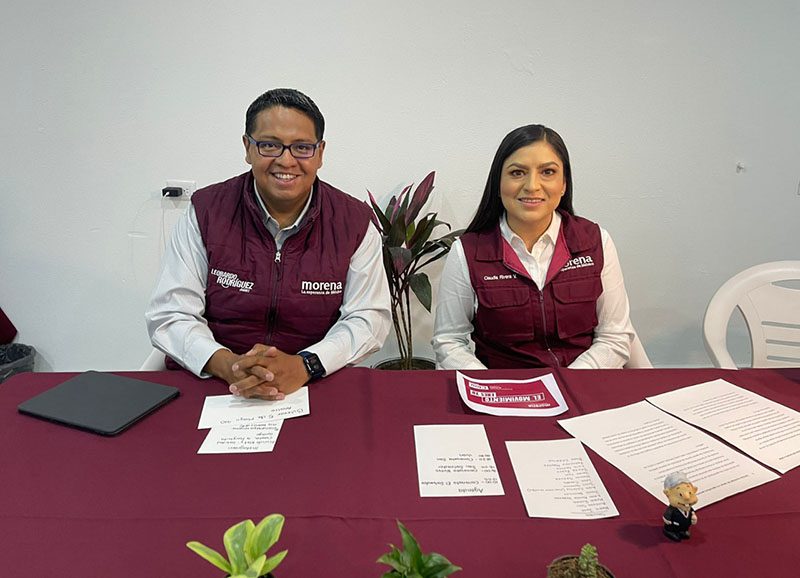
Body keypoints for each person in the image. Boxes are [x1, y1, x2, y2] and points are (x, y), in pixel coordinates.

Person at [146, 88, 391, 399]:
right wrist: (229, 365)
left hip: (313, 383)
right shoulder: (205, 212)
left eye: (302, 147)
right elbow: (171, 312)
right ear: (248, 148)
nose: (286, 160)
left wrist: (306, 365)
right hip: (215, 380)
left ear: (320, 153)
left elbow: (368, 318)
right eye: (270, 145)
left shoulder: (353, 222)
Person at [432, 124, 634, 369]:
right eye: (517, 172)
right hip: (503, 387)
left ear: (564, 184)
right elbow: (449, 341)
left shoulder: (595, 242)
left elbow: (614, 336)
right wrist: (493, 386)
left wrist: (569, 381)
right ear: (498, 183)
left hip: (580, 383)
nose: (532, 186)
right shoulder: (467, 252)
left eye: (548, 172)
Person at [662, 471, 698, 541]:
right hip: (673, 526)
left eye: (690, 493)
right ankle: (670, 532)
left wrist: (693, 516)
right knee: (671, 528)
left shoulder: (688, 508)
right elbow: (667, 515)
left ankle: (682, 531)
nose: (687, 498)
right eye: (680, 495)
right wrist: (667, 519)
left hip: (684, 526)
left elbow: (692, 512)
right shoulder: (672, 509)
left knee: (684, 529)